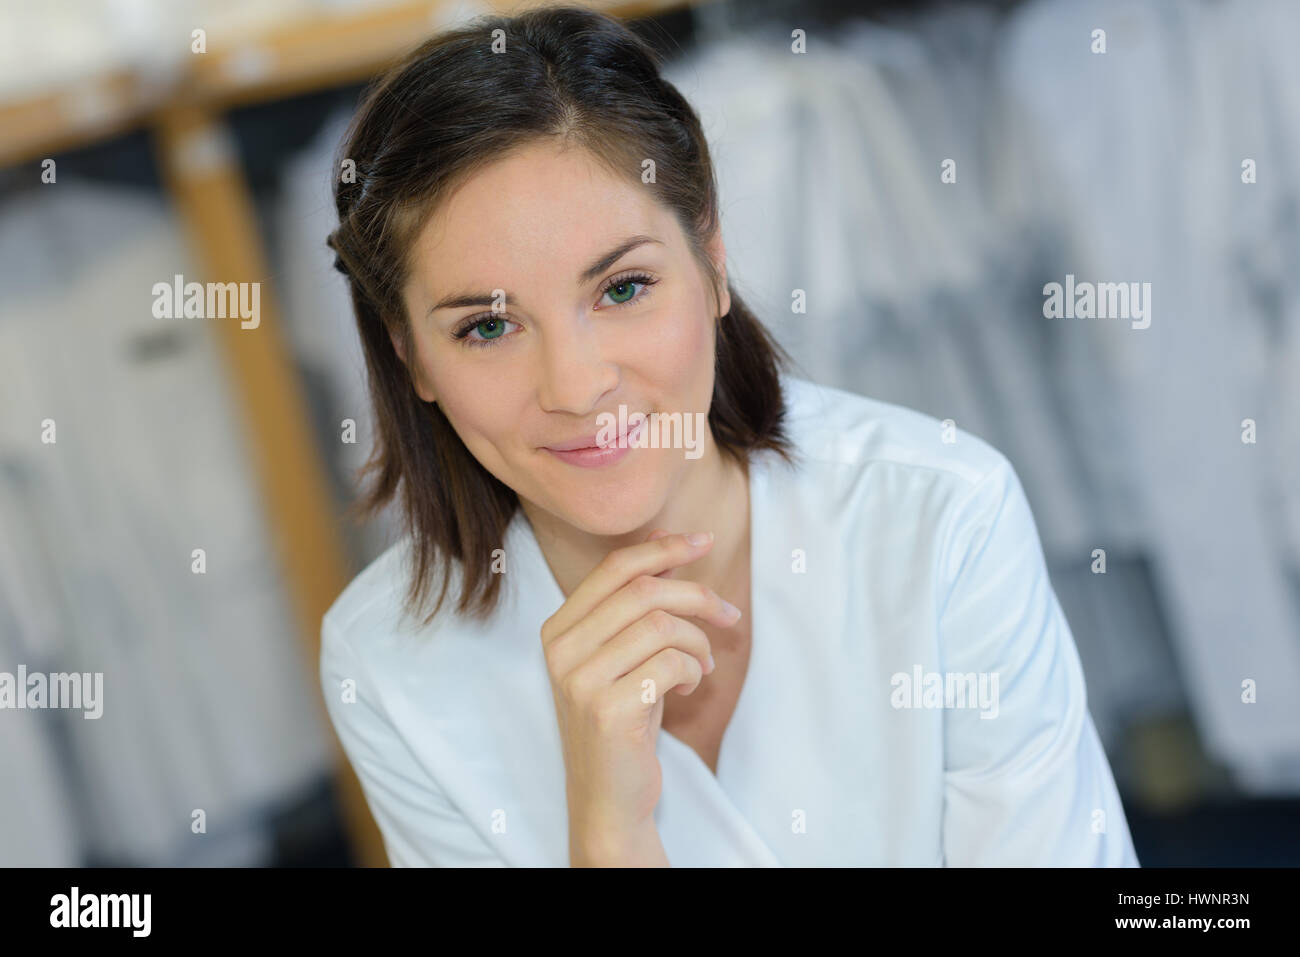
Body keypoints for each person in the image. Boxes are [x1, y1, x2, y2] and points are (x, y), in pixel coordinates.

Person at [320, 4, 1138, 867]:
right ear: (410, 356)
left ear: (711, 258)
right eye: (487, 328)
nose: (576, 386)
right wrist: (609, 831)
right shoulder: (387, 664)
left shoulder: (941, 516)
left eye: (623, 288)